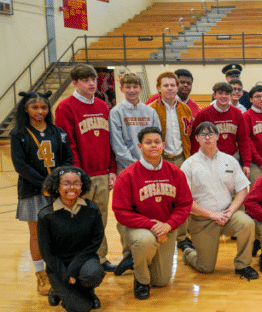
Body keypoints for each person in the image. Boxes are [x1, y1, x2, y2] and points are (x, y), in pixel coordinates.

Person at [112, 127, 193, 300]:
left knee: (161, 281)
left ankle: (136, 259)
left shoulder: (175, 173)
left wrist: (168, 225)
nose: (153, 146)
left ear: (163, 145)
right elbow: (121, 212)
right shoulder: (127, 175)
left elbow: (184, 205)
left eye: (157, 142)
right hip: (138, 228)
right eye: (148, 143)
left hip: (166, 227)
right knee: (145, 241)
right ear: (140, 146)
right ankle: (140, 281)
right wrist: (153, 226)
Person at [55, 63, 117, 271]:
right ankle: (79, 260)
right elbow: (68, 145)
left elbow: (110, 142)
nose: (91, 83)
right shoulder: (65, 107)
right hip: (81, 176)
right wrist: (77, 176)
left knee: (99, 219)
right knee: (79, 220)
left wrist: (111, 170)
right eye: (85, 80)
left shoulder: (102, 105)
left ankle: (100, 257)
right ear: (75, 82)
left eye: (93, 80)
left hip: (102, 173)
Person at [11, 91, 73, 295]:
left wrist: (58, 182)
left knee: (59, 233)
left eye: (43, 107)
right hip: (33, 191)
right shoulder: (19, 133)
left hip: (57, 192)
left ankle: (57, 271)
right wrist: (45, 184)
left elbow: (67, 159)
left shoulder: (58, 132)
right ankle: (41, 275)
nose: (40, 111)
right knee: (37, 234)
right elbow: (20, 165)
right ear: (26, 109)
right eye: (34, 107)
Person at [180, 122, 259, 280]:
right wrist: (213, 215)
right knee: (206, 268)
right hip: (202, 220)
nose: (207, 137)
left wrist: (230, 211)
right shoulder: (189, 165)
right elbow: (185, 201)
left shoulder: (229, 160)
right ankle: (188, 253)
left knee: (247, 223)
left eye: (211, 134)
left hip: (227, 214)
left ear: (217, 136)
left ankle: (243, 264)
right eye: (203, 134)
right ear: (196, 138)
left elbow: (243, 189)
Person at [37, 167, 105, 312]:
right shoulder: (46, 215)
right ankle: (56, 289)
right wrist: (65, 275)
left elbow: (95, 242)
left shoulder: (92, 209)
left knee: (94, 274)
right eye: (66, 183)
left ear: (82, 186)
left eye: (76, 183)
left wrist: (73, 268)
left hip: (84, 260)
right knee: (80, 310)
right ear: (57, 186)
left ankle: (88, 292)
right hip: (58, 265)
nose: (71, 187)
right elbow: (46, 253)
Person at [147, 71, 195, 257]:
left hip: (182, 158)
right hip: (162, 159)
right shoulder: (151, 109)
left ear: (177, 88)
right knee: (162, 199)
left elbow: (189, 136)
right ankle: (161, 232)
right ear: (159, 88)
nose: (170, 88)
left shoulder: (186, 109)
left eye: (172, 85)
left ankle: (182, 237)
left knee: (182, 199)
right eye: (165, 85)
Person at [190, 82, 252, 179]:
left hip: (232, 158)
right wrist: (195, 161)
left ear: (231, 96)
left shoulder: (237, 113)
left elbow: (244, 139)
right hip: (209, 159)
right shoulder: (203, 114)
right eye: (220, 93)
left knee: (233, 190)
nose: (224, 96)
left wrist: (246, 163)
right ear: (214, 95)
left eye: (227, 93)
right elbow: (195, 139)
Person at [109, 73, 161, 174]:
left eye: (135, 87)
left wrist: (149, 161)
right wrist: (136, 164)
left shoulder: (151, 112)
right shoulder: (116, 112)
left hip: (149, 164)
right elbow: (117, 144)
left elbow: (157, 138)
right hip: (125, 167)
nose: (132, 90)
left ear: (141, 88)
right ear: (121, 89)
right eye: (128, 87)